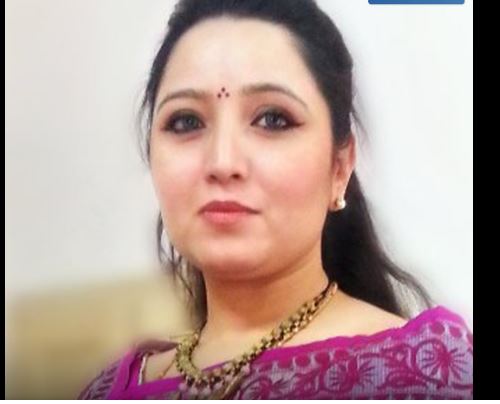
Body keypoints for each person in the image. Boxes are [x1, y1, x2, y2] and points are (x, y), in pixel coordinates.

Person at [79, 0, 472, 399]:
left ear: (340, 168)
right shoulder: (110, 390)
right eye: (186, 121)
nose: (222, 162)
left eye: (273, 119)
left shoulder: (424, 375)